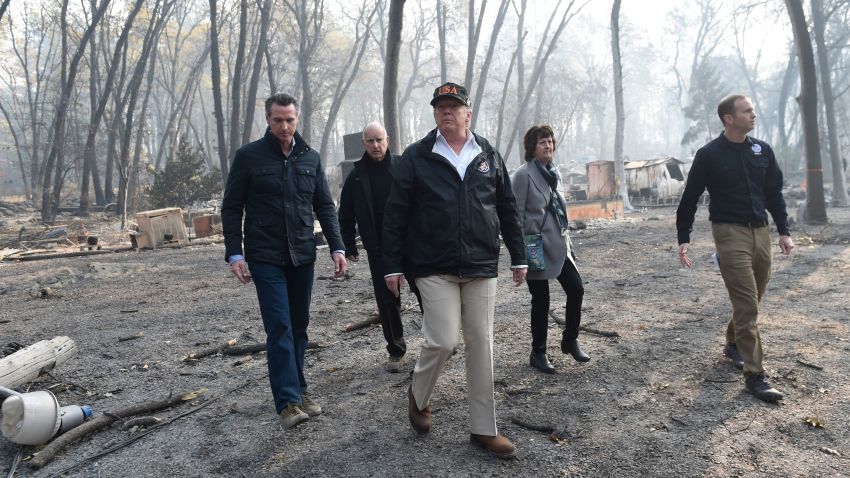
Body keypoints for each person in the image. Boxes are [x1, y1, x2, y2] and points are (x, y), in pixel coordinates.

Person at [382, 82, 527, 460]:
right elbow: (395, 214)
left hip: (481, 264)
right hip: (432, 264)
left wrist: (519, 254)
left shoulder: (488, 154)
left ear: (468, 113)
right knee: (443, 340)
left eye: (454, 106)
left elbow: (507, 207)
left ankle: (483, 429)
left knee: (481, 343)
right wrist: (392, 265)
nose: (447, 111)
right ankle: (419, 395)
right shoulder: (417, 156)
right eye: (440, 106)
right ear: (435, 113)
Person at [221, 93, 348, 428]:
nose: (284, 125)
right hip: (265, 256)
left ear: (297, 119)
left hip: (302, 254)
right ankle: (288, 402)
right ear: (268, 119)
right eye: (278, 119)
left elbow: (324, 206)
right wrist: (234, 252)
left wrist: (337, 246)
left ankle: (300, 387)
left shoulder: (310, 157)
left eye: (290, 119)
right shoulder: (249, 157)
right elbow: (232, 207)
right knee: (279, 326)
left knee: (300, 327)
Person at [677, 94, 794, 403]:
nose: (753, 115)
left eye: (753, 109)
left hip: (761, 231)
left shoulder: (762, 150)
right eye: (746, 111)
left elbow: (774, 193)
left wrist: (784, 230)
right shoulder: (709, 154)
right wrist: (683, 236)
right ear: (729, 118)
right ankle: (755, 375)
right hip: (729, 233)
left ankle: (733, 343)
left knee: (752, 299)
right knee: (747, 305)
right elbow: (690, 197)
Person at [512, 125, 590, 375]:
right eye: (543, 142)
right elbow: (516, 216)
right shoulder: (523, 175)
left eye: (550, 141)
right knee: (541, 301)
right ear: (532, 147)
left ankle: (570, 340)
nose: (548, 146)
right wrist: (519, 255)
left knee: (576, 288)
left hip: (560, 243)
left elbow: (560, 210)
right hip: (535, 246)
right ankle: (539, 352)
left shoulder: (553, 172)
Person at [338, 121, 413, 373]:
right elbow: (345, 213)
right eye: (370, 141)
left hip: (410, 241)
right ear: (364, 143)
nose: (376, 145)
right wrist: (349, 245)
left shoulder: (403, 166)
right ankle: (396, 350)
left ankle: (438, 341)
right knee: (387, 299)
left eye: (379, 140)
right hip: (378, 246)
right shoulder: (357, 175)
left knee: (427, 290)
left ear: (388, 140)